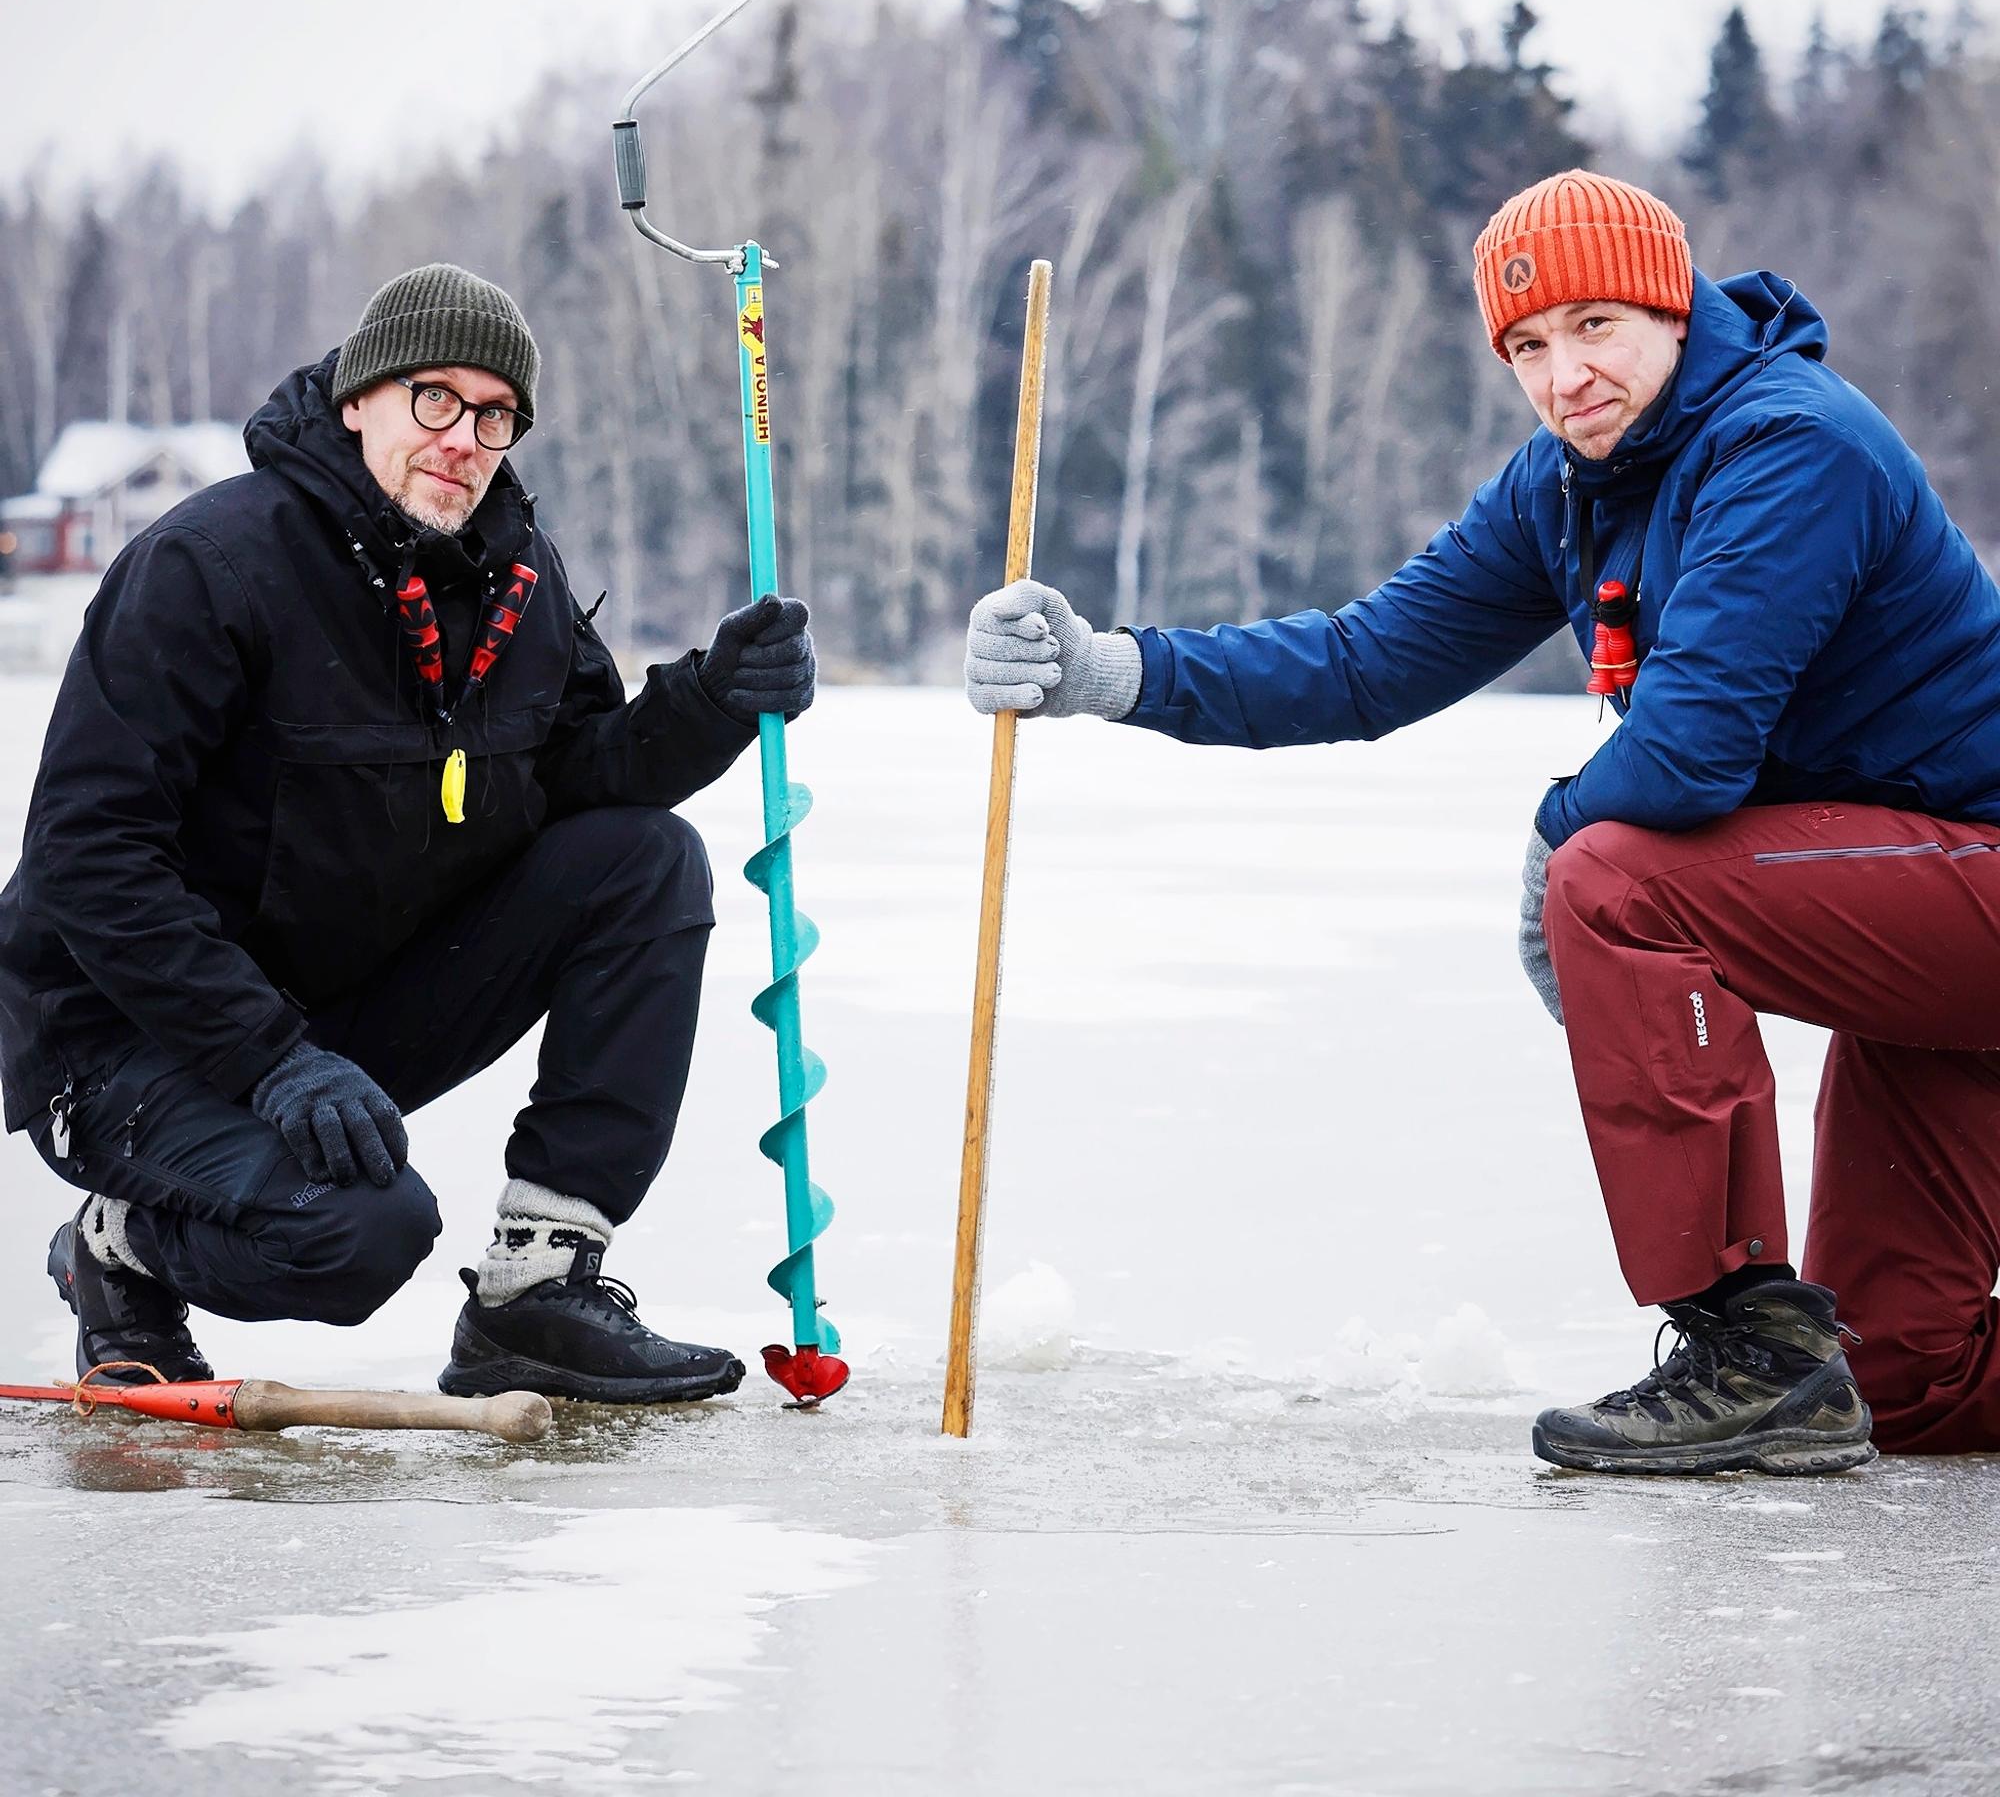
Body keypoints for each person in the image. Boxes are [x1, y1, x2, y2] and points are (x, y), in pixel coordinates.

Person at [964, 170, 2000, 1475]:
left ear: (1674, 310)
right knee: (1906, 1384)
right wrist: (1113, 672)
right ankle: (1804, 1374)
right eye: (1526, 346)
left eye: (1596, 327)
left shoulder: (1790, 447)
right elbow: (1366, 662)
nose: (1564, 375)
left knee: (1619, 877)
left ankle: (1747, 1344)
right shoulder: (1570, 486)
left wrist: (1557, 851)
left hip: (1976, 888)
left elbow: (1689, 755)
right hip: (1926, 934)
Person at [1, 262, 815, 1404]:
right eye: (435, 397)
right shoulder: (211, 565)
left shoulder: (517, 578)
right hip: (128, 1034)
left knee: (643, 862)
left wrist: (712, 699)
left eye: (495, 414)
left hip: (332, 1015)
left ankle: (537, 1288)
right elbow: (90, 858)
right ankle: (117, 1248)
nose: (464, 436)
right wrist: (270, 1060)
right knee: (358, 1234)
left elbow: (583, 782)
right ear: (357, 399)